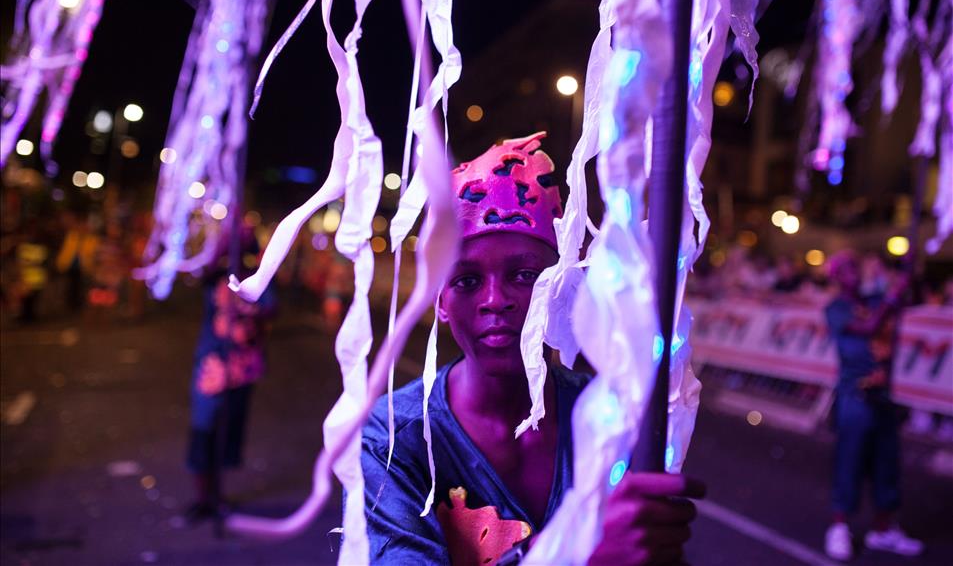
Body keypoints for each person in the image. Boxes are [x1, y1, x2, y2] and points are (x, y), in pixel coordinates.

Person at [361, 133, 704, 565]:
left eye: (524, 276)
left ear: (558, 287)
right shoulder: (393, 438)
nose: (494, 300)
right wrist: (581, 551)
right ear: (441, 302)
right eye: (467, 281)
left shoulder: (611, 414)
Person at [823, 250, 923, 561]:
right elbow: (866, 329)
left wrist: (907, 273)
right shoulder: (836, 308)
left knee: (886, 464)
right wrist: (892, 295)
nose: (855, 272)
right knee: (850, 462)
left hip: (883, 398)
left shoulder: (873, 302)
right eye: (848, 268)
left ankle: (883, 529)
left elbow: (901, 306)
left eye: (856, 266)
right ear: (837, 277)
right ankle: (839, 527)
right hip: (855, 397)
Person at [185, 226, 276, 521]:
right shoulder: (214, 280)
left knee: (227, 434)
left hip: (241, 371)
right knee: (204, 431)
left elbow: (269, 313)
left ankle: (217, 495)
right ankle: (203, 497)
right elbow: (203, 271)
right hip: (211, 371)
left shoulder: (257, 284)